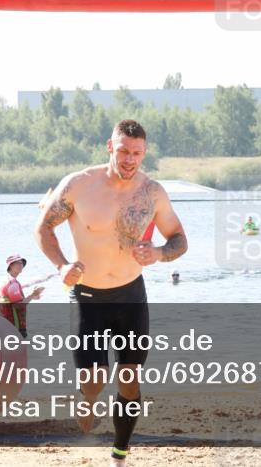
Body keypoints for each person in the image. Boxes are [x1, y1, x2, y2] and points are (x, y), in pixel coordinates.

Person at [34, 119, 187, 466]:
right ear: (109, 147)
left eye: (137, 153)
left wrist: (160, 254)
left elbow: (179, 238)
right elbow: (43, 228)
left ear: (144, 152)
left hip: (131, 296)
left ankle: (119, 454)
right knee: (93, 381)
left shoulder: (153, 192)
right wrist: (61, 267)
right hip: (88, 296)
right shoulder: (78, 185)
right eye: (123, 151)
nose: (130, 159)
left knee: (129, 381)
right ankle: (86, 400)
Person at [0, 254, 44, 338]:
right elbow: (18, 306)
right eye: (17, 263)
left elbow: (11, 302)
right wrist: (32, 295)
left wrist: (33, 296)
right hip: (14, 326)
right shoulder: (12, 283)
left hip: (5, 325)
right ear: (11, 265)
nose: (20, 265)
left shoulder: (6, 280)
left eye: (21, 263)